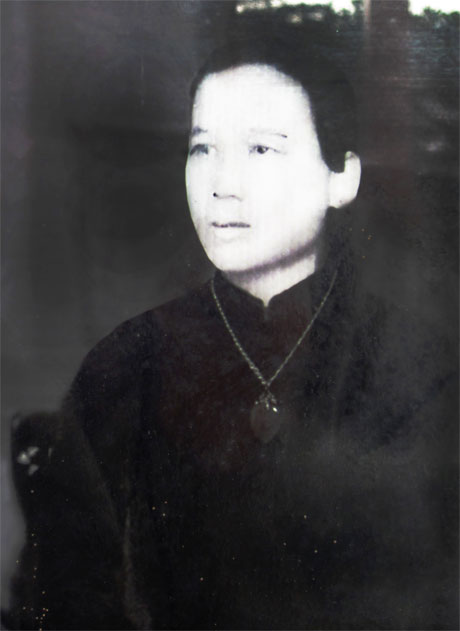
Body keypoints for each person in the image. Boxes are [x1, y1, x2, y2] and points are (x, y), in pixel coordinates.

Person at [5, 32, 457, 630]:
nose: (222, 184)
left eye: (261, 149)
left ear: (341, 178)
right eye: (202, 149)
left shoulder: (421, 369)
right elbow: (63, 595)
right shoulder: (124, 365)